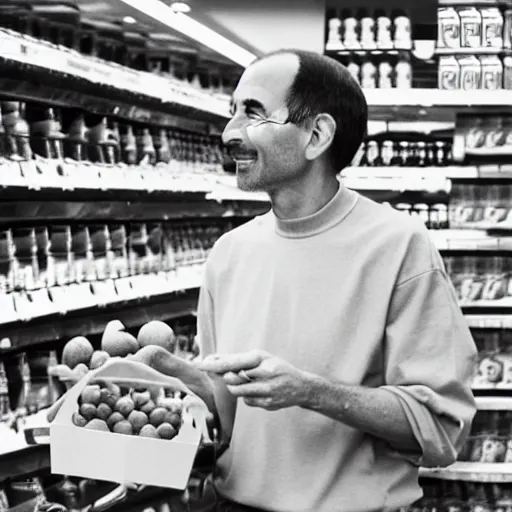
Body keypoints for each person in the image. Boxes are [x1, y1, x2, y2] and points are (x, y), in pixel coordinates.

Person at [191, 49, 478, 512]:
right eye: (232, 113)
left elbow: (439, 427)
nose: (229, 134)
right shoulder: (230, 253)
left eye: (253, 113)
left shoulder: (399, 246)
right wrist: (159, 379)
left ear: (317, 135)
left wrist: (311, 392)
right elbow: (222, 411)